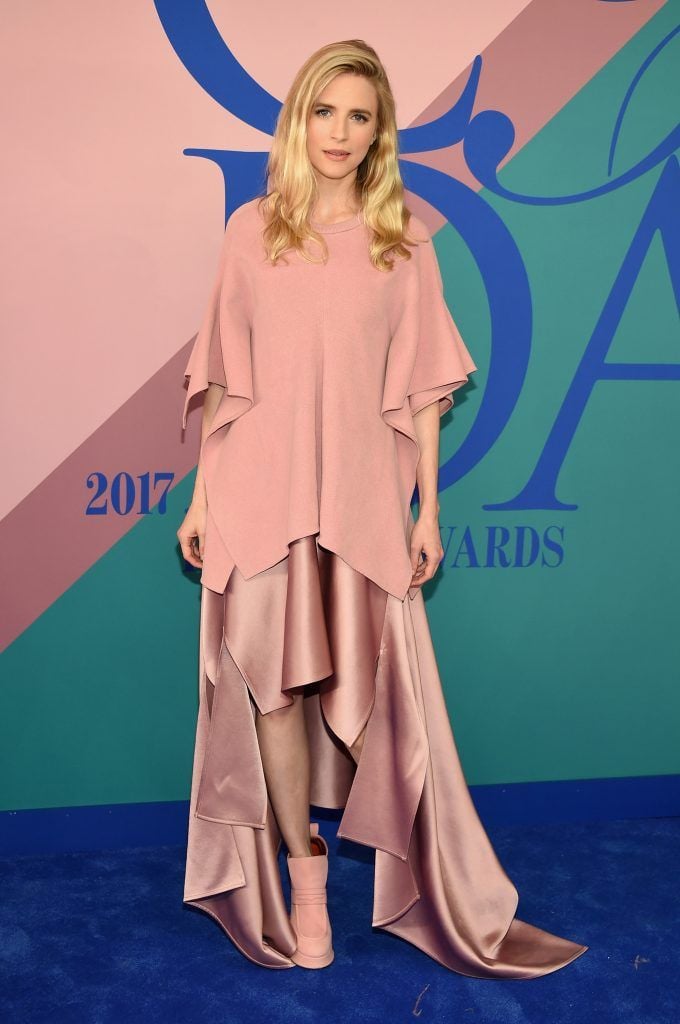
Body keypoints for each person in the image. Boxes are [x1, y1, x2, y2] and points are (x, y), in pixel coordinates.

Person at [177, 39, 589, 976]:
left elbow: (418, 397)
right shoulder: (251, 231)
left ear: (380, 133)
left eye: (361, 116)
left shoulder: (403, 243)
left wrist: (428, 513)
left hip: (360, 500)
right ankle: (305, 874)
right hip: (259, 493)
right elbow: (226, 387)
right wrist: (203, 499)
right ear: (299, 119)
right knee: (275, 693)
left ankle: (418, 883)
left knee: (375, 704)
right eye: (326, 111)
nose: (341, 132)